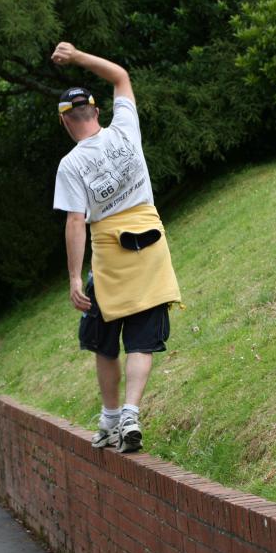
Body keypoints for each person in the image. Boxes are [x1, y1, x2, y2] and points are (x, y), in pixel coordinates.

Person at [51, 42, 181, 452]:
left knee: (102, 339)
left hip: (109, 256)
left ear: (66, 123)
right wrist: (76, 57)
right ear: (96, 112)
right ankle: (129, 414)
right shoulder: (126, 129)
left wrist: (74, 276)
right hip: (152, 245)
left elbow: (75, 221)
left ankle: (109, 418)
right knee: (143, 339)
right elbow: (121, 76)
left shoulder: (71, 164)